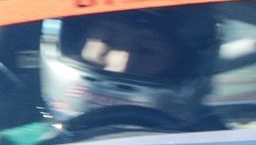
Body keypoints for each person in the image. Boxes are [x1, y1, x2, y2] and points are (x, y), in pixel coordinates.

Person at [36, 7, 222, 136]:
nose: (119, 66)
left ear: (179, 67)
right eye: (106, 41)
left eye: (146, 50)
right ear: (75, 43)